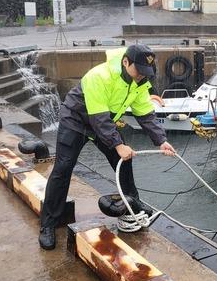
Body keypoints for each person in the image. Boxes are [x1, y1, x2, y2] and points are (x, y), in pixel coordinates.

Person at [39, 44, 175, 250]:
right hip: (76, 120)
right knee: (63, 168)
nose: (141, 76)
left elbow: (145, 114)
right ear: (125, 62)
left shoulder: (139, 82)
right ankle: (49, 223)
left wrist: (161, 140)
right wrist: (118, 144)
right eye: (138, 70)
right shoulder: (99, 76)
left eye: (145, 72)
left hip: (104, 122)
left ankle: (132, 208)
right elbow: (99, 117)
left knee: (124, 161)